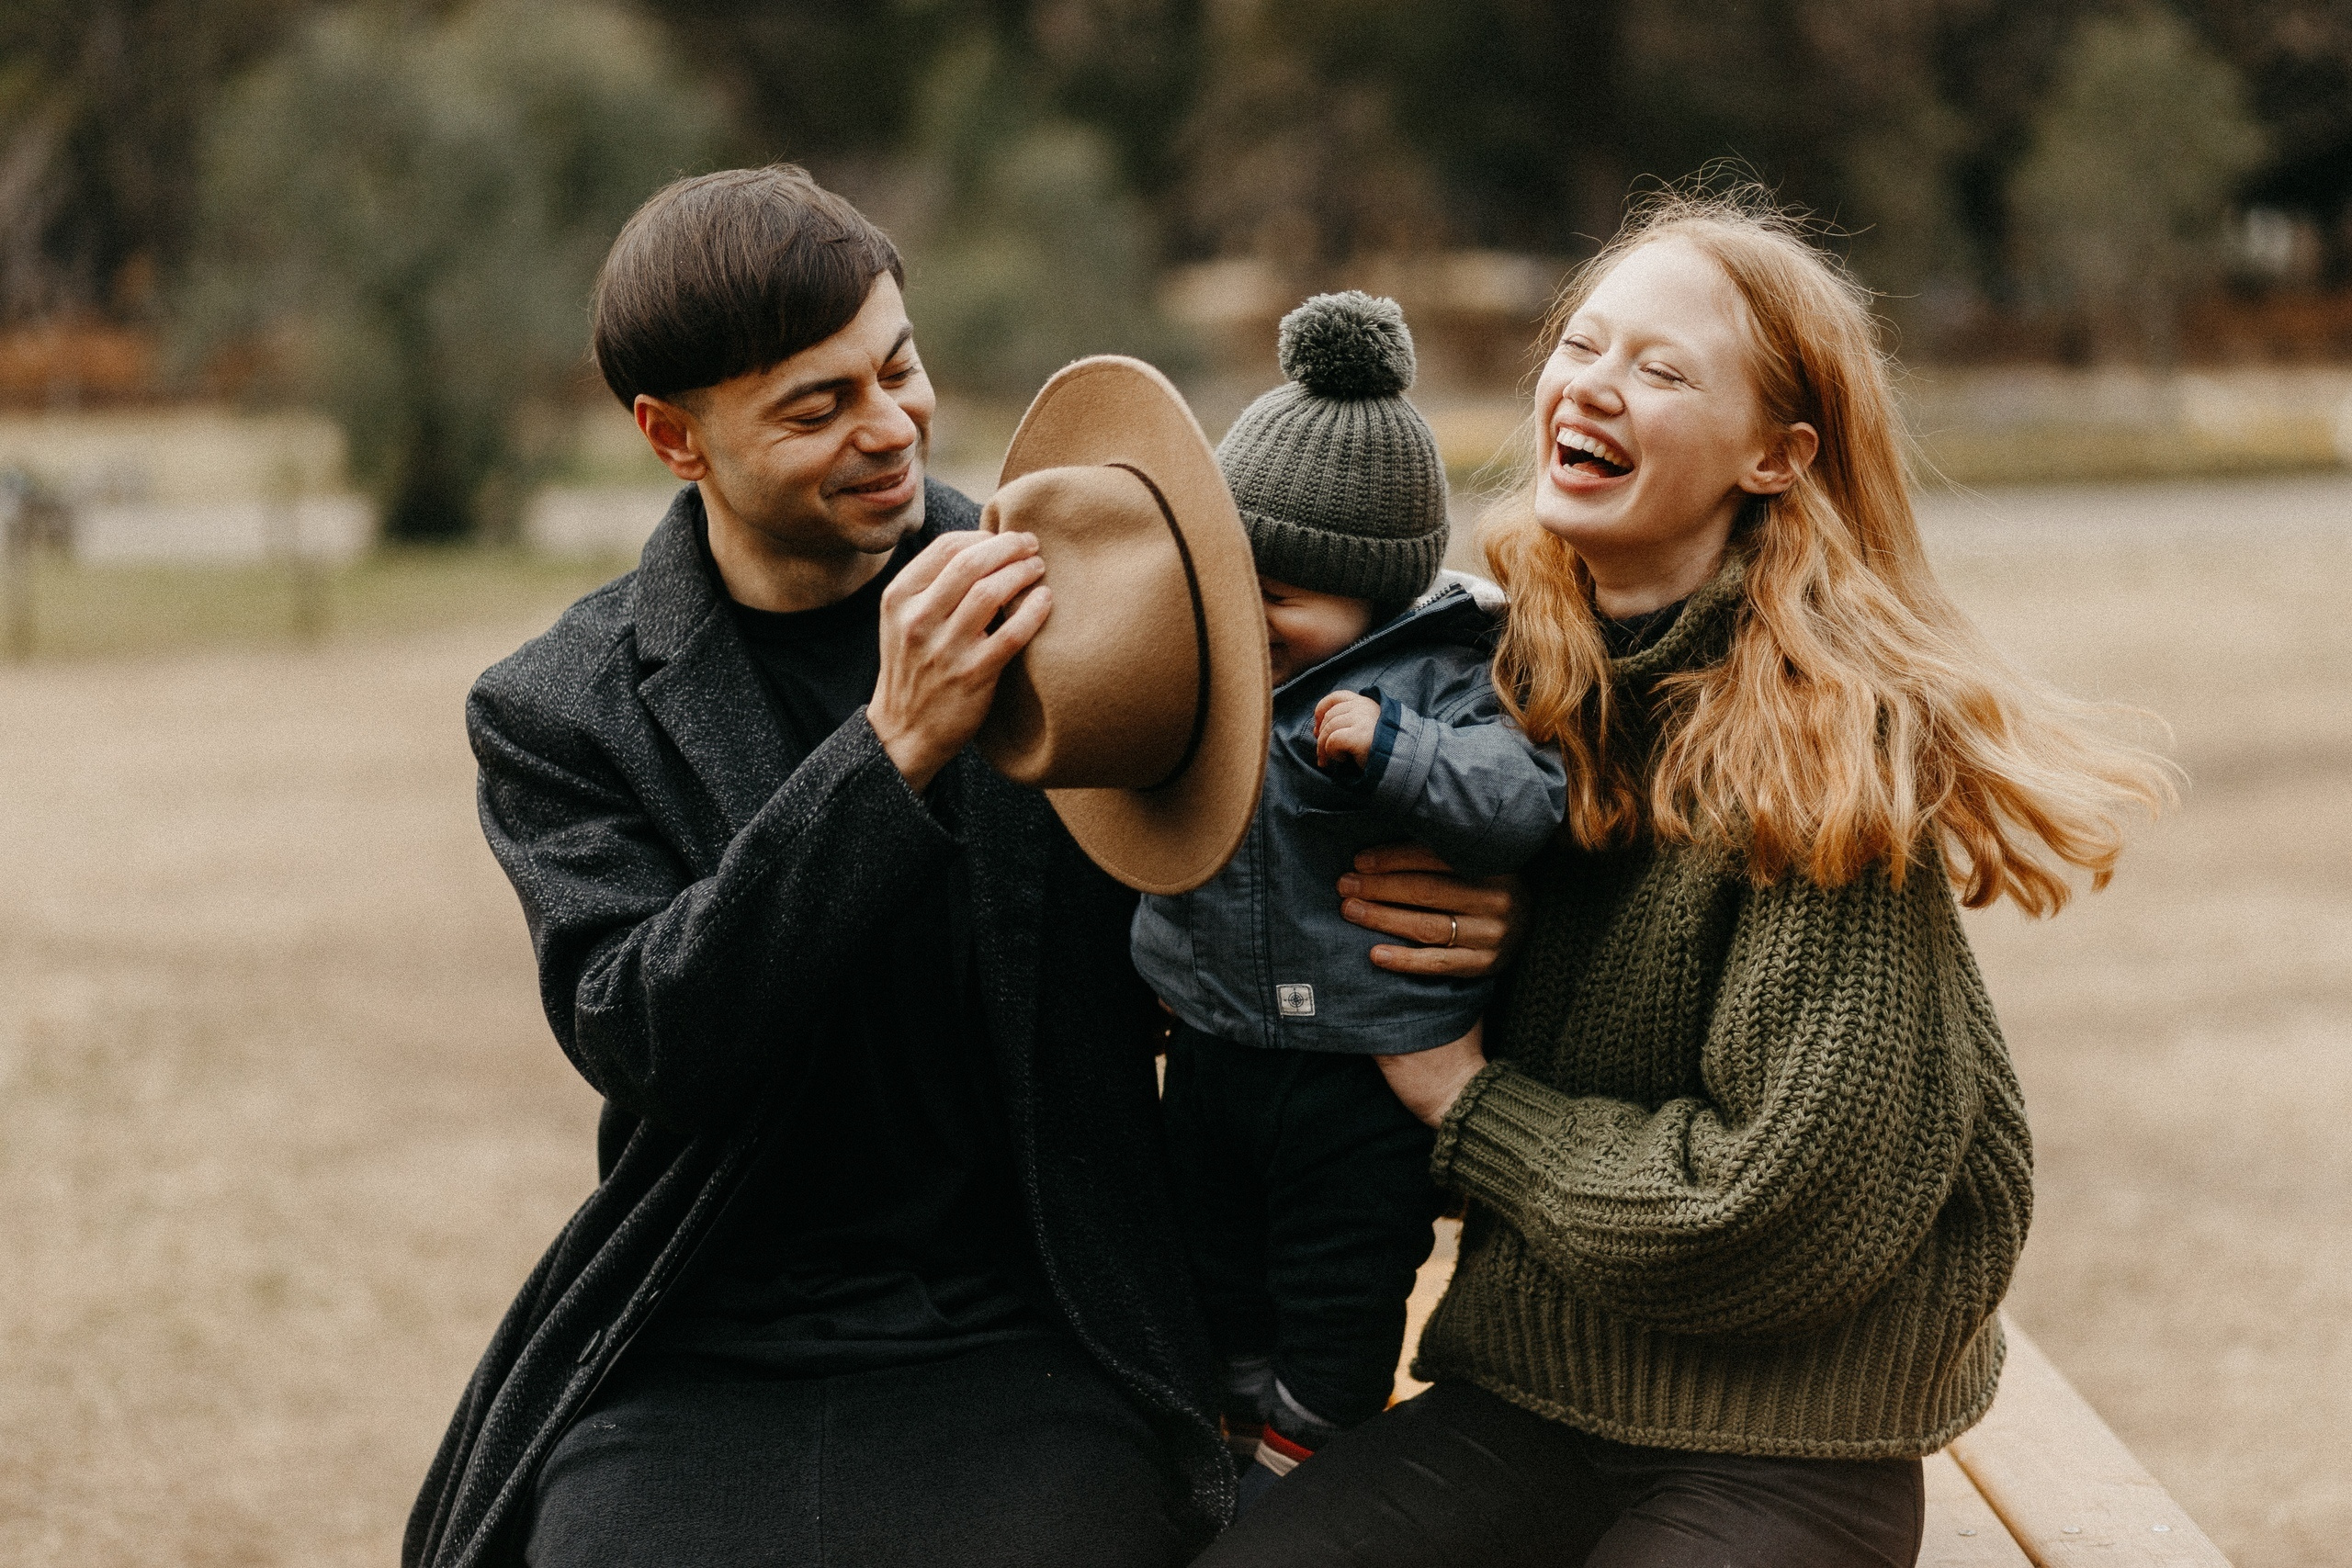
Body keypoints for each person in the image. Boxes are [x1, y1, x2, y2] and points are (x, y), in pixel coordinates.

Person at [400, 164, 1521, 1568]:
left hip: (1039, 1313)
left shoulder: (1081, 608)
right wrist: (891, 750)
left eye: (899, 367)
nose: (889, 426)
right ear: (674, 436)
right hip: (704, 1327)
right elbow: (651, 1040)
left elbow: (1271, 843)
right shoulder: (559, 707)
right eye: (816, 407)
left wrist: (1450, 918)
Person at [1194, 187, 2174, 1568]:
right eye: (1581, 345)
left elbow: (1776, 1216)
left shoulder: (1828, 755)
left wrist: (1472, 1101)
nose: (1593, 385)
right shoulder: (1493, 697)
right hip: (1531, 1399)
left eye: (1661, 370)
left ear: (1776, 457)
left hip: (1784, 1446)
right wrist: (1489, 952)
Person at [1132, 292, 1565, 1508]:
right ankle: (1237, 1436)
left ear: (1373, 591)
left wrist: (1396, 755)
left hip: (1362, 1073)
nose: (1247, 615)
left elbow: (1522, 799)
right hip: (1214, 1047)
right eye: (1231, 581)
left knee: (1341, 1289)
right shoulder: (1209, 659)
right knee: (1214, 1269)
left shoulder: (1447, 675)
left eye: (1280, 593)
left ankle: (1303, 1464)